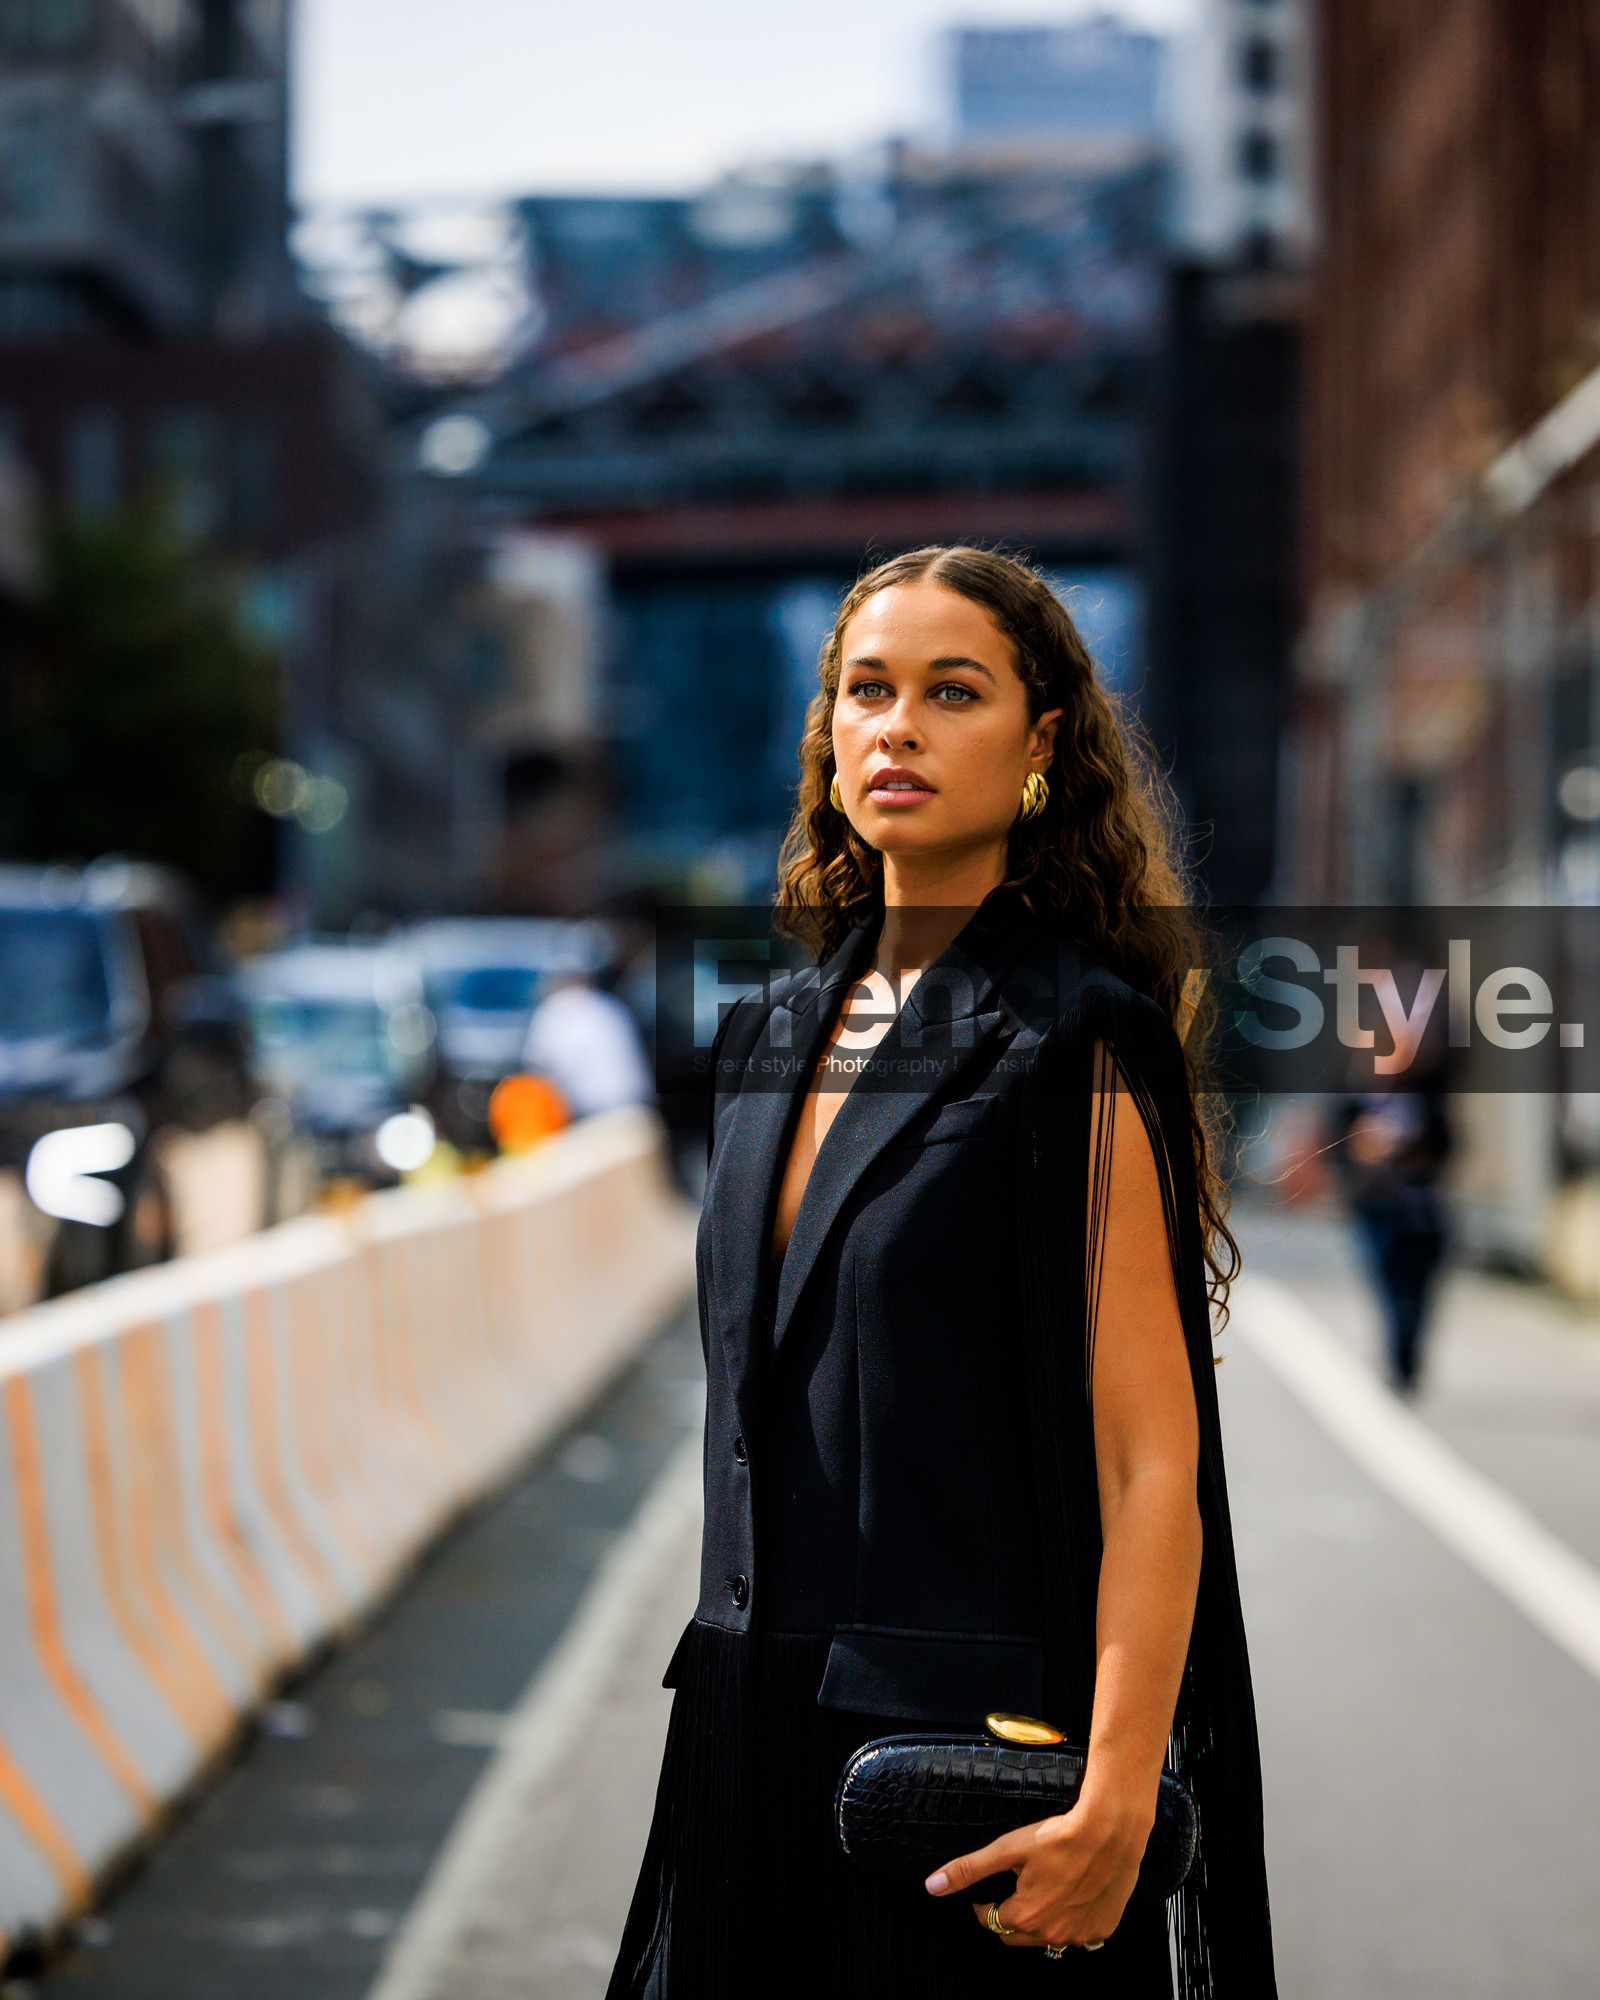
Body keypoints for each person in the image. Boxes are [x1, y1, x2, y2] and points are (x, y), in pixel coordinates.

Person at [608, 547, 1277, 1999]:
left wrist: (1113, 1795)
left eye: (952, 693)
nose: (896, 728)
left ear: (1041, 747)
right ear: (829, 733)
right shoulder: (768, 1034)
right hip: (740, 1751)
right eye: (867, 691)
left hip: (960, 1785)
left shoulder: (1075, 1039)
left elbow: (1151, 1458)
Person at [1332, 1090, 1451, 1392]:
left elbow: (1448, 1147)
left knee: (1420, 1293)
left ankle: (1409, 1354)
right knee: (1389, 1289)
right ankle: (1399, 1360)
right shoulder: (1356, 1103)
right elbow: (1338, 1152)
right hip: (1377, 1213)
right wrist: (1364, 1152)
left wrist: (1412, 1152)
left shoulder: (1425, 1101)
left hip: (1422, 1216)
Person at [520, 970, 653, 1121]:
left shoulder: (556, 1008)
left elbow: (539, 1069)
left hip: (598, 1117)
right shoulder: (609, 1004)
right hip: (642, 1113)